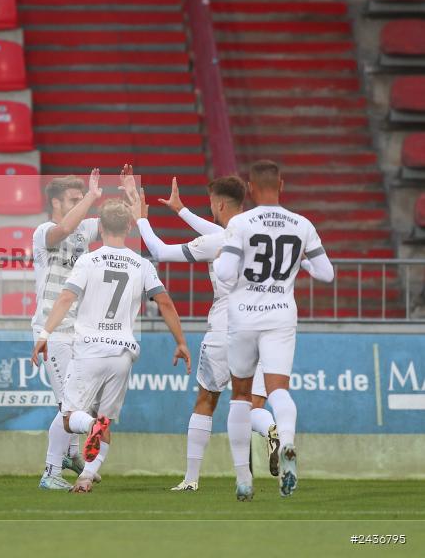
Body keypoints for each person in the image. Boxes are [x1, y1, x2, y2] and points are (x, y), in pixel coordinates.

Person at [32, 199, 191, 493]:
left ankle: (80, 439)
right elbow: (165, 302)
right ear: (130, 227)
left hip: (89, 348)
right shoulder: (141, 264)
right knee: (105, 421)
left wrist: (44, 333)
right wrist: (181, 342)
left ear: (100, 228)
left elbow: (66, 298)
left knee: (70, 417)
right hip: (122, 353)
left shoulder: (88, 260)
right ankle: (86, 477)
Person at [136, 176, 280, 492]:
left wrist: (141, 219)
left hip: (224, 328)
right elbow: (218, 232)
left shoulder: (219, 242)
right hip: (259, 328)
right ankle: (267, 436)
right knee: (247, 403)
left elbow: (160, 251)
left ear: (219, 204)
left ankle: (191, 479)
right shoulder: (259, 235)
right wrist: (182, 211)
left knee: (207, 400)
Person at [213, 160, 335, 500]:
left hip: (243, 316)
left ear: (250, 188)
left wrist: (228, 256)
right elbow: (326, 273)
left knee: (240, 397)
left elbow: (224, 274)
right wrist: (302, 262)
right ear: (282, 185)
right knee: (278, 389)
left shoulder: (241, 222)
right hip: (281, 313)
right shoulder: (302, 224)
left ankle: (243, 480)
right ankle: (289, 442)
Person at [32, 171, 102, 490]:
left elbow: (111, 223)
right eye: (73, 200)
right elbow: (65, 227)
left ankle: (71, 455)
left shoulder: (84, 229)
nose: (81, 205)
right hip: (53, 330)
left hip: (79, 330)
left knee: (79, 402)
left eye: (81, 199)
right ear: (56, 202)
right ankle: (50, 473)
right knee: (69, 406)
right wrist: (90, 197)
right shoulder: (44, 232)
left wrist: (131, 198)